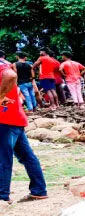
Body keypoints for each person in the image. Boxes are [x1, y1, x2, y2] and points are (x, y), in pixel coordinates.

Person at [0, 59, 48, 205]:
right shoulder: (4, 63)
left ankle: (2, 196)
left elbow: (10, 75)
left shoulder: (3, 67)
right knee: (26, 156)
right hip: (15, 118)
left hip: (4, 119)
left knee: (3, 159)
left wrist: (0, 96)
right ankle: (39, 190)